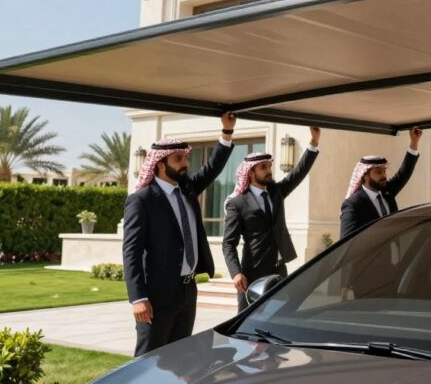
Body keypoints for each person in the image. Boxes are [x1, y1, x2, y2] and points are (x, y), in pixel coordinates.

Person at [123, 113, 237, 357]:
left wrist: (226, 133)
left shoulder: (187, 189)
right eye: (178, 159)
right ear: (160, 164)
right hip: (156, 294)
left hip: (187, 291)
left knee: (180, 359)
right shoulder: (141, 201)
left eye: (186, 157)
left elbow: (212, 168)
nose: (185, 163)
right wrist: (138, 298)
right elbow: (131, 251)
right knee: (149, 360)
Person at [222, 127, 320, 311]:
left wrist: (313, 144)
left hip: (279, 270)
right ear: (251, 173)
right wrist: (236, 273)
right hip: (253, 272)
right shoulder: (237, 203)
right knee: (249, 321)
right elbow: (228, 243)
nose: (269, 171)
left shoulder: (276, 192)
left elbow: (298, 173)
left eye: (269, 166)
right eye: (263, 167)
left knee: (281, 318)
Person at [339, 127, 422, 239]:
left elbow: (404, 173)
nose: (384, 176)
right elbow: (346, 241)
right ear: (364, 176)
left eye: (384, 171)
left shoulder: (387, 191)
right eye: (378, 172)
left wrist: (414, 142)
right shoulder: (353, 204)